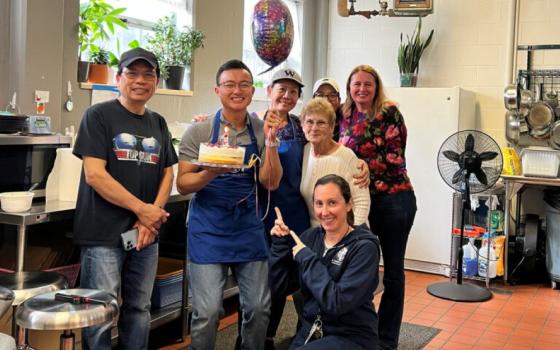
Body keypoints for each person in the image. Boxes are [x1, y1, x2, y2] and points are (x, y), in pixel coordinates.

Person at [73, 48, 177, 350]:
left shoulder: (158, 122)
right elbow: (95, 174)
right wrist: (143, 210)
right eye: (132, 73)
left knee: (139, 308)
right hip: (103, 235)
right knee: (100, 311)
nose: (140, 80)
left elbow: (167, 174)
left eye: (149, 74)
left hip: (146, 234)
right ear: (118, 78)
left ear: (156, 82)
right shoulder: (98, 116)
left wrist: (152, 216)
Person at [176, 59, 283, 350]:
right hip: (207, 227)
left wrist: (272, 143)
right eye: (230, 85)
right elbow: (183, 184)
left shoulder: (261, 129)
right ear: (217, 90)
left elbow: (270, 182)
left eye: (244, 84)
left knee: (259, 308)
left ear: (252, 89)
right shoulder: (198, 132)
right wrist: (211, 172)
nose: (238, 90)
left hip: (247, 226)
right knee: (208, 312)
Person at [339, 64, 417, 350]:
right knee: (359, 270)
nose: (361, 89)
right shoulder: (342, 115)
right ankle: (360, 332)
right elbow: (315, 128)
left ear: (376, 87)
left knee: (393, 273)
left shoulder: (388, 113)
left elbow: (395, 157)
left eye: (367, 84)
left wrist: (362, 167)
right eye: (356, 84)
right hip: (358, 203)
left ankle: (386, 341)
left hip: (392, 200)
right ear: (349, 88)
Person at [270, 174, 380, 349]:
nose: (324, 212)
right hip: (312, 329)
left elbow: (336, 302)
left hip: (353, 336)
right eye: (319, 203)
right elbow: (278, 289)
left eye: (332, 203)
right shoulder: (309, 238)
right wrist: (279, 246)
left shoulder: (364, 248)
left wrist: (306, 257)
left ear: (349, 204)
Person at [300, 98, 371, 227]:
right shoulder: (305, 151)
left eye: (321, 123)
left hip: (346, 234)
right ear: (302, 125)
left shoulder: (346, 156)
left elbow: (362, 202)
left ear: (332, 126)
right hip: (317, 235)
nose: (314, 128)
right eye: (309, 122)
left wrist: (350, 236)